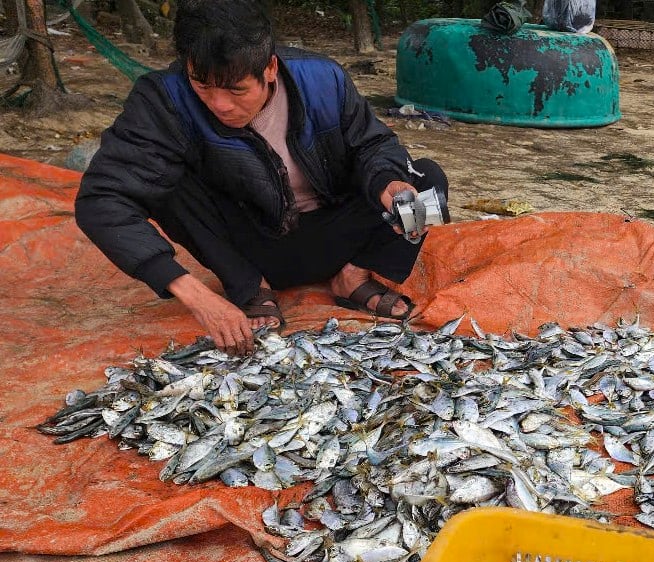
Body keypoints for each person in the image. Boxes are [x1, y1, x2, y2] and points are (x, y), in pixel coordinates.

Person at [74, 0, 448, 357]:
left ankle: (353, 277)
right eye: (202, 85)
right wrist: (194, 294)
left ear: (269, 68)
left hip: (335, 235)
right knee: (166, 187)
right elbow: (101, 199)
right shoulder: (164, 99)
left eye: (236, 89)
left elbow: (373, 144)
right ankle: (252, 289)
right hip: (249, 248)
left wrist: (389, 183)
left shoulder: (322, 79)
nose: (219, 104)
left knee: (428, 183)